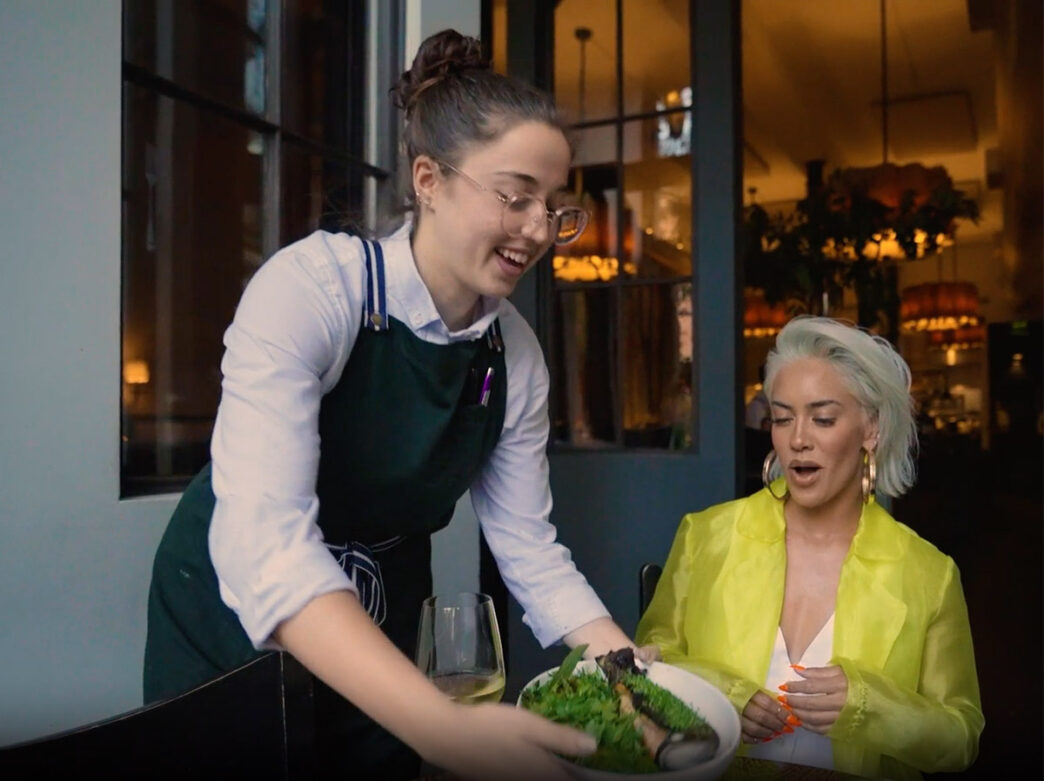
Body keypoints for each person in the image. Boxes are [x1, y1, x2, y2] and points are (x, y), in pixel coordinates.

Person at [144, 30, 647, 781]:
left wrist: (625, 666)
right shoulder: (314, 291)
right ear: (429, 179)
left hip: (384, 623)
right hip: (227, 628)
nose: (540, 230)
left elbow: (529, 548)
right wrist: (442, 726)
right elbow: (266, 550)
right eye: (515, 197)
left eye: (553, 207)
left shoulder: (517, 357)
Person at [637, 316, 983, 780]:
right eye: (781, 418)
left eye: (822, 418)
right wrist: (722, 697)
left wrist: (867, 706)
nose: (797, 439)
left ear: (871, 430)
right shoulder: (706, 536)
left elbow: (960, 737)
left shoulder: (928, 574)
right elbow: (647, 670)